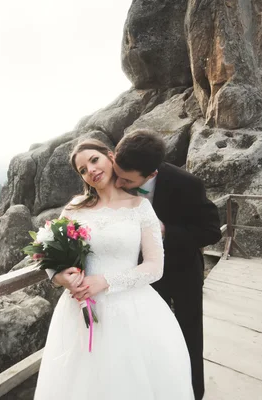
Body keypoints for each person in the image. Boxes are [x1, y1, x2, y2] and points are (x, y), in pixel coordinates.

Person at [57, 130, 221, 400]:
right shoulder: (79, 206)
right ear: (114, 157)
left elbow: (211, 231)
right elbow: (59, 252)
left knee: (185, 338)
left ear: (150, 175)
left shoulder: (185, 184)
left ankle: (193, 391)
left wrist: (165, 230)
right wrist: (61, 275)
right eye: (83, 169)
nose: (119, 181)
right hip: (125, 285)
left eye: (127, 179)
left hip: (180, 271)